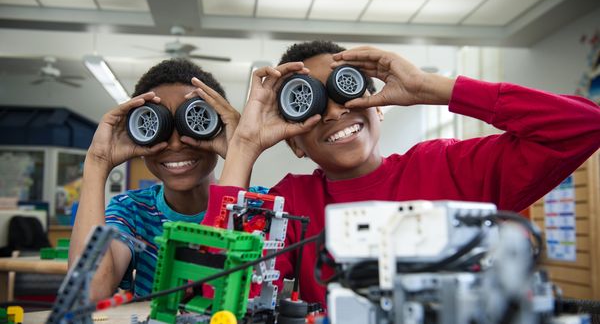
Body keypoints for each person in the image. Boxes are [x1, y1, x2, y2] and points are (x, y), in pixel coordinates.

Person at [202, 41, 600, 306]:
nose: (336, 112)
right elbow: (217, 298)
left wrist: (432, 87)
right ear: (295, 144)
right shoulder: (289, 204)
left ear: (377, 106)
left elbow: (582, 126)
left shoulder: (447, 168)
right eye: (309, 105)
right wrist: (244, 147)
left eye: (347, 92)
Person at [70, 58, 241, 300]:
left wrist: (240, 151)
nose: (174, 143)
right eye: (157, 127)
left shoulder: (257, 206)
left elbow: (222, 290)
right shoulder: (131, 211)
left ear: (219, 125)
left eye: (193, 122)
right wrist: (97, 162)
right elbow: (86, 295)